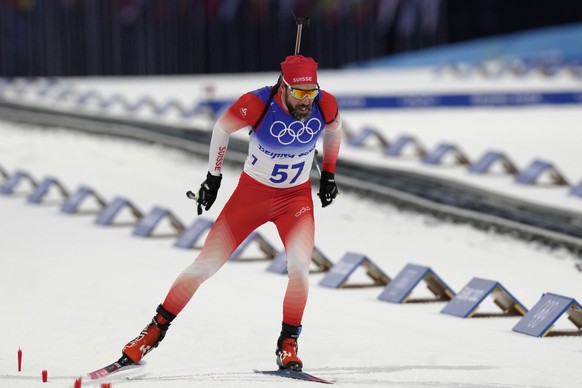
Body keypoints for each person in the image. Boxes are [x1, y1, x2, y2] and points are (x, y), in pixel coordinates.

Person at [118, 54, 342, 372]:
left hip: (295, 200)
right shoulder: (258, 103)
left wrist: (329, 174)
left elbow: (335, 131)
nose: (307, 100)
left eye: (312, 92)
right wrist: (213, 177)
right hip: (252, 197)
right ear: (283, 86)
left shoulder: (324, 104)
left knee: (300, 268)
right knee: (204, 266)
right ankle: (153, 332)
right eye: (299, 92)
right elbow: (222, 129)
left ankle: (288, 343)